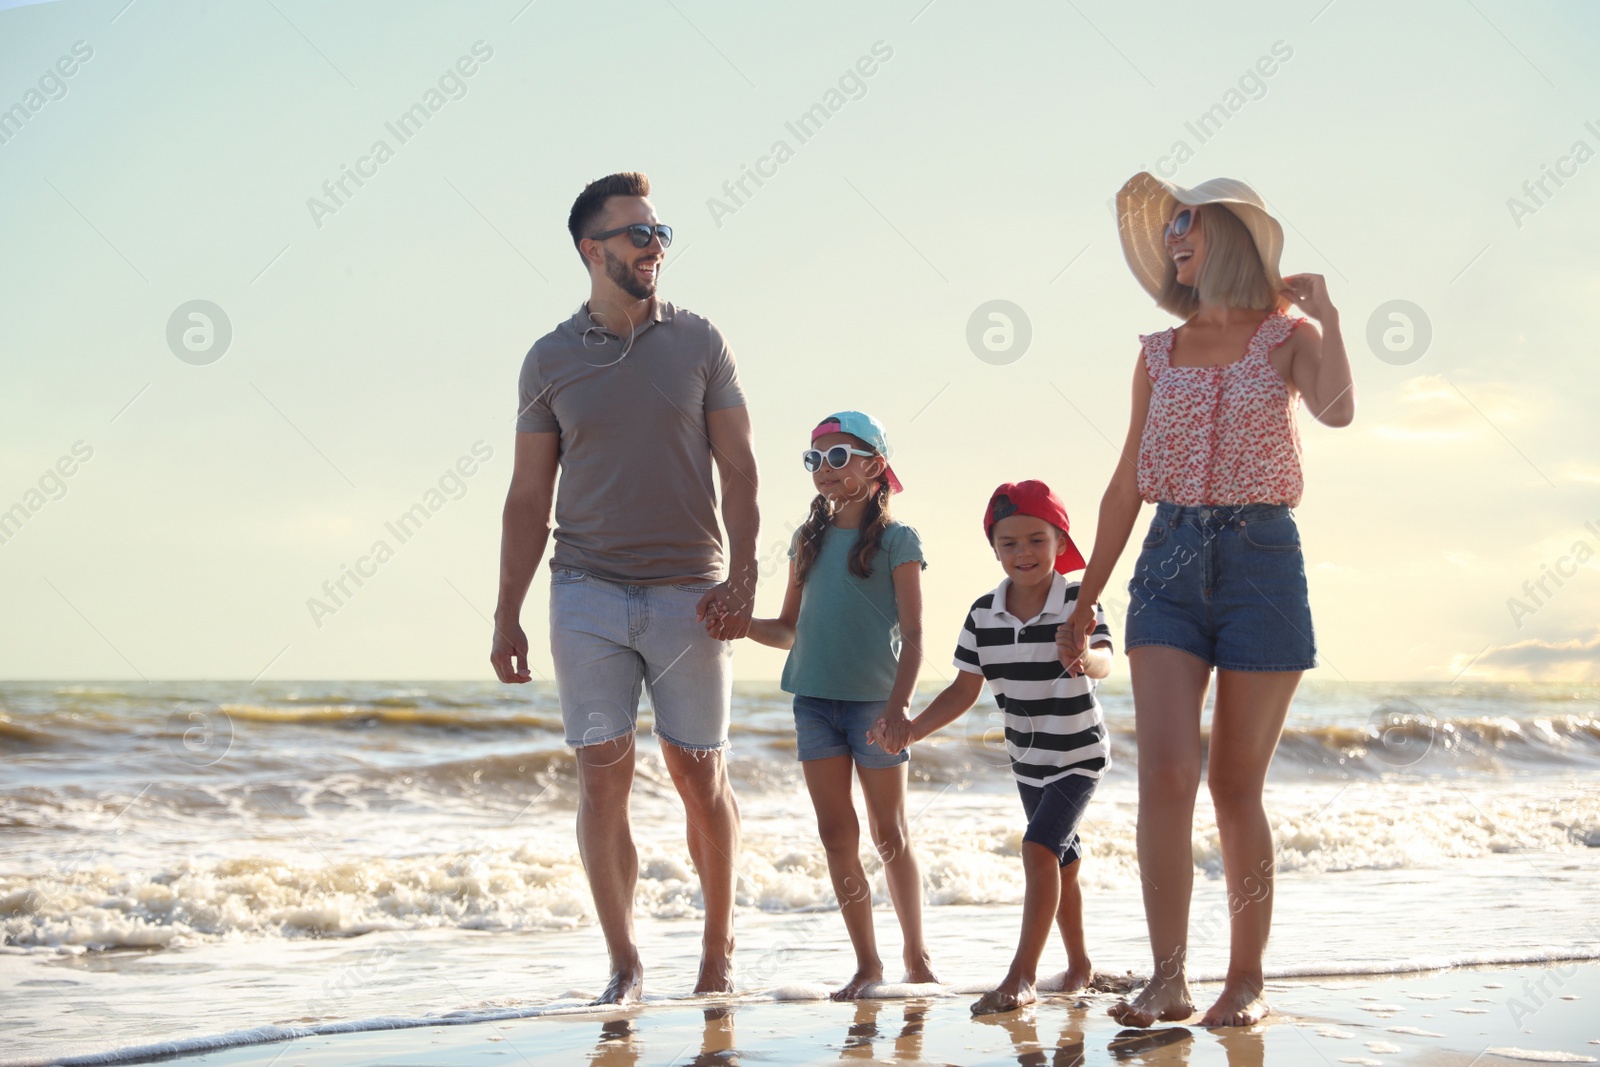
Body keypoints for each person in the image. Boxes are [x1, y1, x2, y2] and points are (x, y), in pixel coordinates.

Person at [1058, 173, 1355, 1027]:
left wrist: (1330, 318)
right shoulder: (1158, 351)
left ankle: (1246, 977)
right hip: (1168, 562)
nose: (1174, 236)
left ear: (1229, 233)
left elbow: (1336, 410)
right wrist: (1088, 595)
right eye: (1170, 227)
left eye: (1188, 222)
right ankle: (1167, 976)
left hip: (1263, 559)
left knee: (1233, 785)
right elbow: (1124, 485)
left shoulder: (1288, 336)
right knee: (1165, 776)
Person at [490, 172, 759, 1005]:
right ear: (591, 249)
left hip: (691, 593)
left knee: (699, 773)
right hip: (586, 591)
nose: (654, 246)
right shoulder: (549, 358)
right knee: (601, 774)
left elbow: (742, 470)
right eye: (637, 234)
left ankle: (717, 953)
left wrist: (744, 576)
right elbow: (529, 497)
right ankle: (626, 963)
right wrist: (506, 613)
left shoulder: (701, 342)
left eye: (659, 232)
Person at [874, 480, 1114, 1016]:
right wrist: (911, 730)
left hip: (1079, 754)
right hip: (1028, 763)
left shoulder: (1079, 600)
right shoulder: (984, 613)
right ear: (994, 547)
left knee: (1038, 849)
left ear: (1059, 541)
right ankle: (1079, 967)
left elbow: (1105, 660)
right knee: (1063, 861)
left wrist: (1082, 658)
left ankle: (1020, 977)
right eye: (1009, 543)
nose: (1023, 553)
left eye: (1036, 540)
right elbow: (964, 688)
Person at [735, 411, 938, 999]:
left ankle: (917, 958)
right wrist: (739, 624)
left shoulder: (900, 541)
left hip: (875, 706)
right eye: (815, 459)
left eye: (838, 456)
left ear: (875, 465)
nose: (824, 469)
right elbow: (786, 630)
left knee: (889, 833)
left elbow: (918, 636)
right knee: (835, 835)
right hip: (813, 705)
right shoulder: (808, 540)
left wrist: (899, 708)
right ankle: (867, 964)